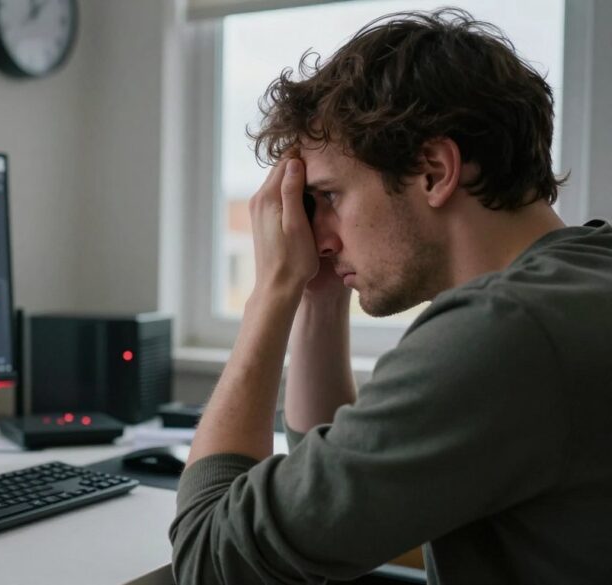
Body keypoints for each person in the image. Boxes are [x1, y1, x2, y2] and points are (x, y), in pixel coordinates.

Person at [170, 8, 612, 585]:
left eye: (329, 197)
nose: (318, 237)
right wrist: (318, 295)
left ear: (434, 171)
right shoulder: (581, 281)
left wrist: (270, 294)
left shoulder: (505, 333)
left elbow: (210, 559)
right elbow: (336, 495)